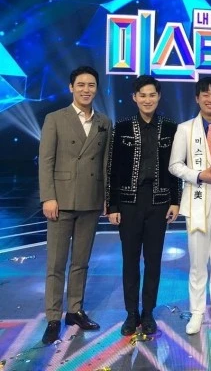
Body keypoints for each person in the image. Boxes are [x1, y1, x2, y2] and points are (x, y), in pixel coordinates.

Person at [39, 65, 112, 345]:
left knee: (81, 261)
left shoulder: (104, 122)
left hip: (91, 199)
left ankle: (75, 310)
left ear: (96, 89)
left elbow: (105, 163)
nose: (86, 89)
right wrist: (48, 197)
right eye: (81, 84)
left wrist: (106, 197)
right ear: (71, 87)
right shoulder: (55, 118)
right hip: (61, 199)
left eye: (91, 85)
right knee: (56, 263)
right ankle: (53, 317)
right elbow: (46, 161)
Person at [106, 75, 180, 336]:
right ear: (134, 98)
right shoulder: (122, 127)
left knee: (153, 261)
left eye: (152, 95)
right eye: (143, 95)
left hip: (159, 202)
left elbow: (175, 168)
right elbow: (113, 169)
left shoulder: (170, 128)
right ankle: (131, 314)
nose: (147, 100)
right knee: (130, 260)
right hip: (129, 203)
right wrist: (113, 205)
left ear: (158, 97)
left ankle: (148, 313)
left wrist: (175, 201)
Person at [169, 77, 211, 335]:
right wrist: (199, 175)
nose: (210, 99)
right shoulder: (185, 129)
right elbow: (175, 165)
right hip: (196, 203)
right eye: (205, 95)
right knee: (198, 264)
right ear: (197, 98)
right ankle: (197, 312)